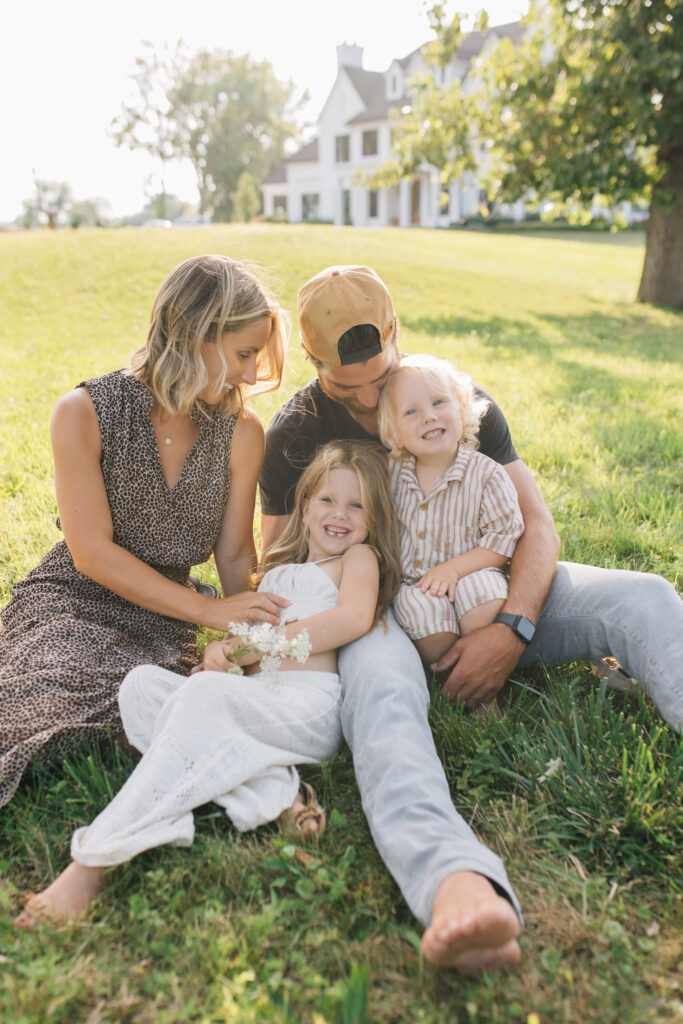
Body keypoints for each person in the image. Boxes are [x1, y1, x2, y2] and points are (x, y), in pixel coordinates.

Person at [259, 264, 683, 972]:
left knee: (641, 595)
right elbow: (275, 556)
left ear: (393, 333)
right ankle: (455, 885)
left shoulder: (449, 398)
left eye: (376, 374)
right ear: (311, 360)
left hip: (485, 590)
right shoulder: (296, 431)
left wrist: (510, 629)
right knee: (385, 702)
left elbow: (536, 527)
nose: (368, 400)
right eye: (345, 384)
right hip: (379, 612)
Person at [15, 440, 401, 928]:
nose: (339, 514)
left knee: (199, 698)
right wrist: (224, 654)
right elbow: (246, 646)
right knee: (141, 687)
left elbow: (352, 619)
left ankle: (96, 859)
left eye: (357, 504)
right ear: (304, 508)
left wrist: (261, 647)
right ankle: (278, 795)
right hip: (256, 698)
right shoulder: (279, 572)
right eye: (327, 499)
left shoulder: (356, 561)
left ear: (372, 518)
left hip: (307, 707)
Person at [0, 254, 291, 808]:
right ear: (195, 335)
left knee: (160, 699)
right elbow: (90, 554)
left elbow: (233, 556)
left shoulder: (241, 431)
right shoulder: (84, 412)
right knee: (44, 693)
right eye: (244, 354)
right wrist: (207, 613)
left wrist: (252, 638)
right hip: (76, 599)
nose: (253, 375)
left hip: (165, 619)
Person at [378, 354, 523, 681]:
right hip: (417, 585)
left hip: (471, 574)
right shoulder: (391, 475)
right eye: (411, 412)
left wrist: (453, 570)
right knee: (417, 608)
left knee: (485, 592)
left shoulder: (487, 474)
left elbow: (503, 538)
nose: (428, 417)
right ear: (396, 432)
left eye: (439, 402)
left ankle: (481, 670)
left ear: (461, 409)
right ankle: (450, 677)